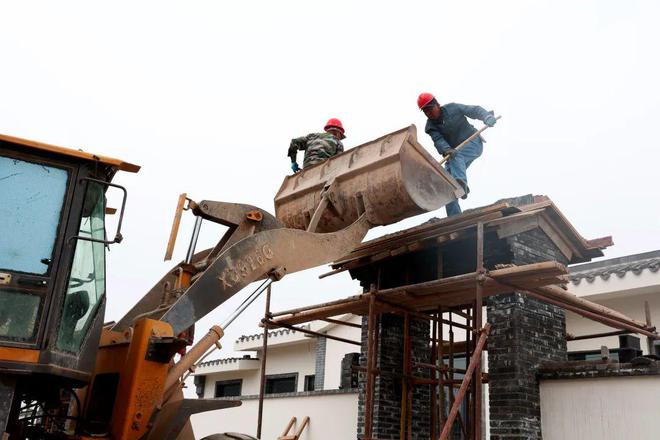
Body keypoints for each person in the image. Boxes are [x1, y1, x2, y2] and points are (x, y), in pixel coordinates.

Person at [417, 92, 497, 217]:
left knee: (456, 157)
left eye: (430, 109)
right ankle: (454, 217)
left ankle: (461, 185)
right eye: (425, 111)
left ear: (437, 104)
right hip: (453, 153)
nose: (429, 113)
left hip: (473, 143)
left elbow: (474, 110)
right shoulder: (430, 127)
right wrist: (446, 149)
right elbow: (438, 140)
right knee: (447, 184)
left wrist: (486, 116)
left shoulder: (453, 108)